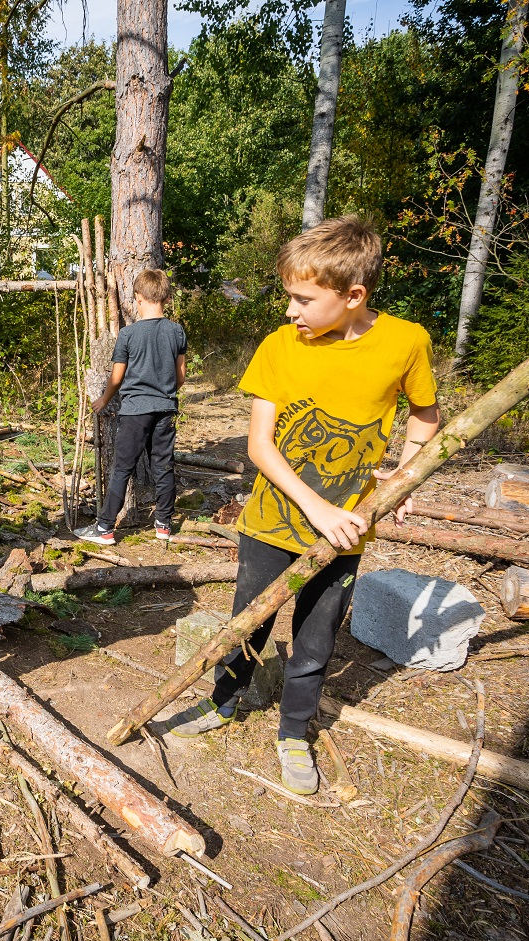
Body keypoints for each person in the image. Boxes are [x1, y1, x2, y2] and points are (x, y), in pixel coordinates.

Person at [167, 216, 441, 795]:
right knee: (248, 620)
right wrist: (316, 507)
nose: (290, 310)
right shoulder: (280, 346)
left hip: (346, 528)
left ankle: (294, 731)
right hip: (272, 521)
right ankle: (223, 700)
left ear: (353, 296)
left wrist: (407, 473)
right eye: (290, 296)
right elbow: (259, 446)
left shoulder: (405, 342)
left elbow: (424, 413)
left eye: (304, 299)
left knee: (316, 638)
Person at [74, 268, 187, 545]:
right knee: (163, 466)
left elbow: (117, 377)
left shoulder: (128, 334)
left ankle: (105, 528)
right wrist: (165, 391)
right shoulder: (176, 331)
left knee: (123, 468)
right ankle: (163, 524)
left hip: (135, 410)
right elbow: (181, 376)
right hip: (166, 409)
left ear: (138, 298)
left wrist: (104, 399)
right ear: (167, 298)